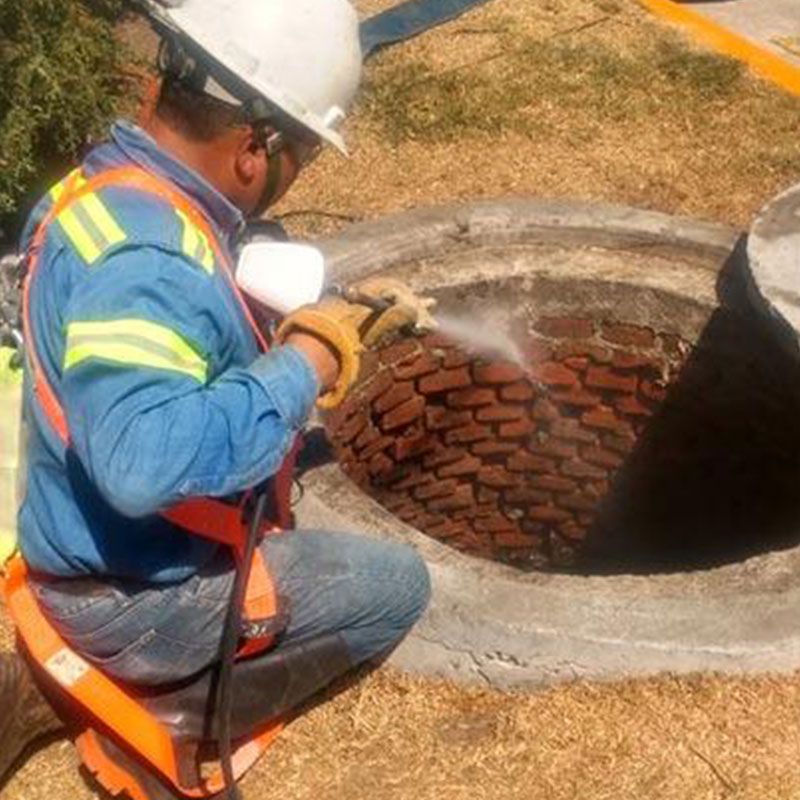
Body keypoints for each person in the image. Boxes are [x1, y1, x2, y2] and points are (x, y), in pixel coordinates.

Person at [0, 0, 431, 792]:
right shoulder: (148, 263)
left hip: (78, 554)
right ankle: (176, 712)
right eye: (300, 154)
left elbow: (145, 341)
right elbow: (139, 465)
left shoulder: (109, 191)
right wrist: (304, 363)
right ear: (251, 148)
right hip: (134, 598)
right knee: (395, 588)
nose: (296, 173)